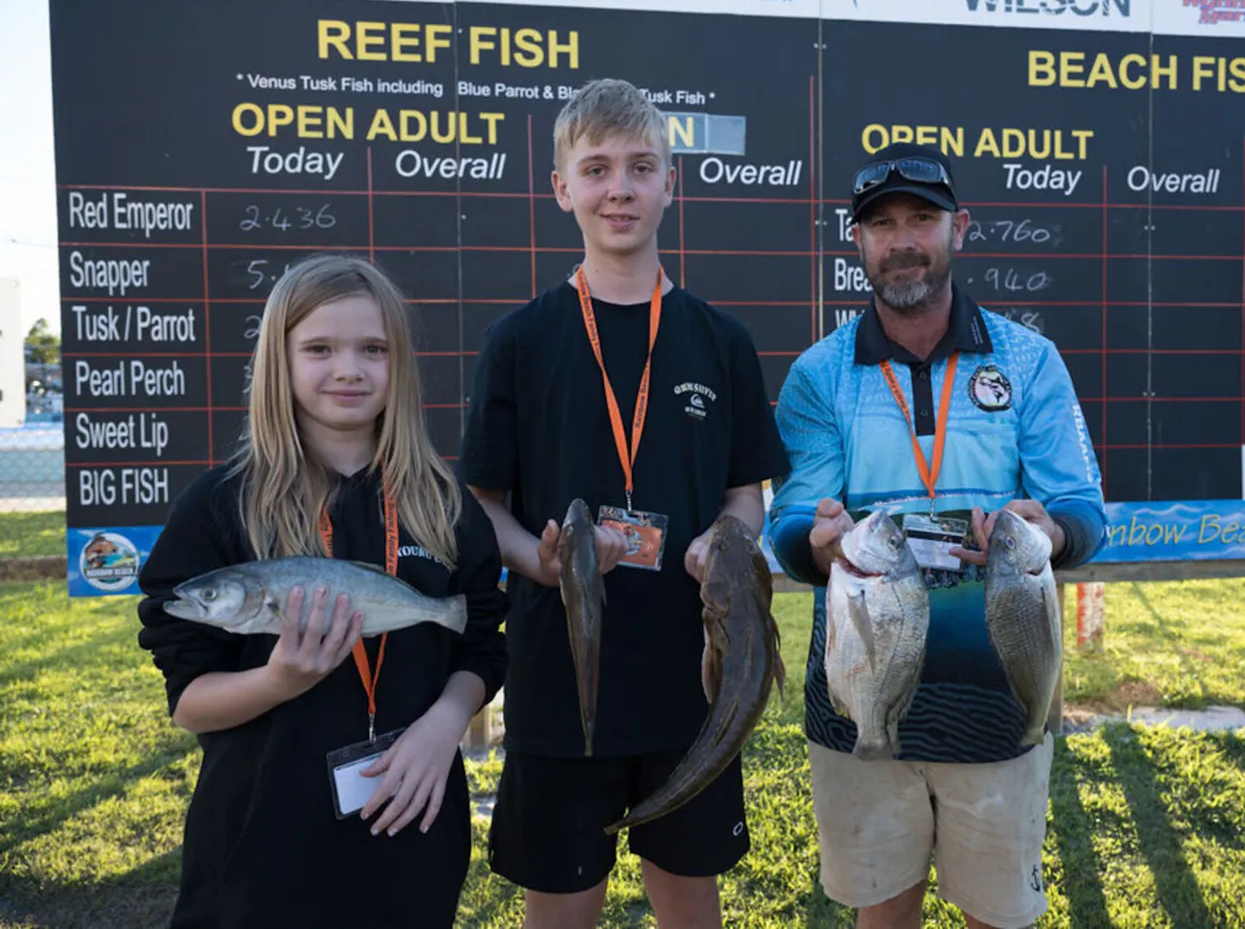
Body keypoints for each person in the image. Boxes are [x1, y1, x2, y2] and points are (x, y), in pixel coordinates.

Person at [458, 77, 790, 928]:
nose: (621, 188)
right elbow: (482, 505)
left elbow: (746, 496)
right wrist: (530, 554)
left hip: (694, 678)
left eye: (642, 167)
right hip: (557, 682)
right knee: (562, 904)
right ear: (562, 188)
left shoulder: (720, 340)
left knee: (689, 899)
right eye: (598, 168)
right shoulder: (520, 341)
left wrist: (724, 537)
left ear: (671, 184)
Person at [767, 142, 1108, 929]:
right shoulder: (819, 374)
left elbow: (1084, 506)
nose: (903, 238)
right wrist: (816, 542)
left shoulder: (1030, 360)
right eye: (882, 224)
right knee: (883, 915)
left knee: (999, 916)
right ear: (857, 241)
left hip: (998, 696)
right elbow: (792, 519)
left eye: (922, 217)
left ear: (961, 227)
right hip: (859, 700)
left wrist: (1049, 530)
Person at [136, 253, 510, 928]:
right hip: (262, 843)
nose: (348, 368)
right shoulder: (221, 506)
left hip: (412, 825)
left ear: (400, 364)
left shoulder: (443, 504)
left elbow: (480, 639)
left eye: (373, 348)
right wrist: (279, 680)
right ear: (279, 360)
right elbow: (190, 701)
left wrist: (447, 721)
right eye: (319, 348)